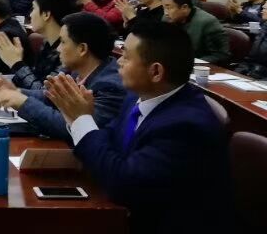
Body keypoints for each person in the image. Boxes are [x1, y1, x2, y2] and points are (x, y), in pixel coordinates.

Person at [46, 20, 230, 234]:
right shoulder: (137, 97)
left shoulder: (186, 127)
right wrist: (75, 119)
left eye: (126, 56)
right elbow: (109, 138)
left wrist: (81, 119)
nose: (118, 62)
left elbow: (123, 185)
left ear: (156, 72)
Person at [0, 12, 125, 142]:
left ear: (82, 49)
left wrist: (22, 102)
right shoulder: (79, 71)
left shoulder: (110, 86)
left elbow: (72, 128)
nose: (58, 49)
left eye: (63, 42)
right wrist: (16, 92)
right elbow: (51, 98)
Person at [0, 0, 80, 89]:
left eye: (34, 8)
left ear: (46, 14)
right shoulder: (47, 43)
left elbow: (45, 93)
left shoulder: (67, 50)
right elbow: (34, 79)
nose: (30, 15)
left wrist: (16, 63)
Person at [163, 0, 229, 65]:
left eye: (169, 8)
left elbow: (221, 55)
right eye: (163, 8)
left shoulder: (208, 22)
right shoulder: (166, 20)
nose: (165, 13)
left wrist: (190, 63)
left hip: (200, 68)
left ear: (184, 7)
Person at [234, 4, 267, 80]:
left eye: (265, 9)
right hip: (254, 72)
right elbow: (251, 57)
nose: (262, 11)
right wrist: (237, 73)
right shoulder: (264, 27)